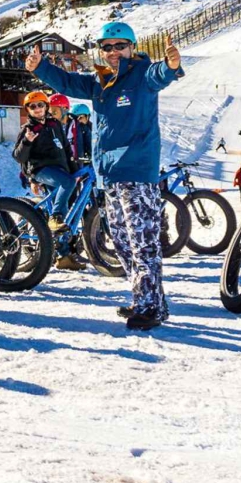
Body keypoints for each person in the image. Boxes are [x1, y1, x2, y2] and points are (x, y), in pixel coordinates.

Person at [27, 22, 184, 330]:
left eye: (120, 46)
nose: (113, 52)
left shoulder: (142, 74)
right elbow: (68, 83)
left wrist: (171, 65)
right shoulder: (100, 80)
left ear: (132, 47)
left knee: (142, 242)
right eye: (107, 47)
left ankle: (150, 307)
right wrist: (40, 68)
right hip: (109, 173)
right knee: (122, 241)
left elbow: (160, 75)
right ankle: (146, 299)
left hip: (136, 170)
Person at [13, 91, 75, 228]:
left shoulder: (55, 124)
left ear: (46, 106)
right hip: (41, 170)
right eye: (32, 106)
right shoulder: (28, 129)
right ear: (28, 109)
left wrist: (74, 170)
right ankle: (55, 217)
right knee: (67, 182)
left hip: (59, 169)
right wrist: (26, 142)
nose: (37, 109)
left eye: (40, 105)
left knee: (62, 202)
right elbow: (19, 157)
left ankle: (59, 237)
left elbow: (66, 148)